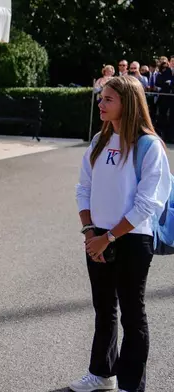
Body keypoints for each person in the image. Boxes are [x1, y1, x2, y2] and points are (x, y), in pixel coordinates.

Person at [72, 76, 171, 392]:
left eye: (108, 99)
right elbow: (83, 187)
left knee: (132, 312)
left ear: (127, 103)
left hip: (132, 238)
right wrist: (90, 231)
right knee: (104, 309)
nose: (100, 103)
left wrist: (109, 237)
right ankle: (101, 374)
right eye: (101, 98)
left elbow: (148, 203)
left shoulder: (148, 146)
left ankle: (131, 385)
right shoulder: (98, 142)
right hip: (97, 235)